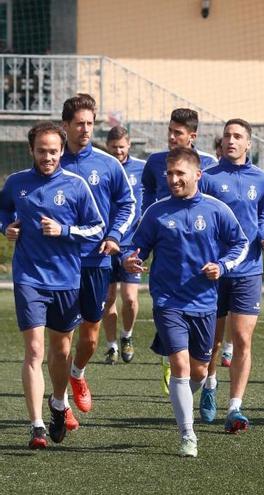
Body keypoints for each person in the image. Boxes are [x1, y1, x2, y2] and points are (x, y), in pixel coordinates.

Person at [124, 147, 248, 457]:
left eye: (180, 173)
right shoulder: (156, 211)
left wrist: (222, 265)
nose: (174, 179)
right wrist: (131, 260)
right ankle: (187, 434)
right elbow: (136, 248)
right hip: (168, 300)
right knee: (179, 365)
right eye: (170, 174)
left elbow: (240, 243)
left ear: (197, 175)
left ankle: (182, 401)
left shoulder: (217, 210)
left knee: (200, 371)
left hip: (205, 302)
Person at [0, 122, 104, 448]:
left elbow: (97, 228)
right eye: (42, 151)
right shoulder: (17, 183)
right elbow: (2, 211)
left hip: (66, 280)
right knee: (34, 350)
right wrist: (7, 227)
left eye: (53, 151)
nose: (48, 157)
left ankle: (59, 403)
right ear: (31, 150)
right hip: (29, 277)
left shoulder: (75, 186)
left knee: (60, 352)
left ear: (62, 151)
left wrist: (65, 231)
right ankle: (37, 427)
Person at [60, 94, 137, 418]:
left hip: (96, 261)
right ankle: (59, 402)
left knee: (90, 338)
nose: (85, 130)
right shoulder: (52, 160)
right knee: (61, 337)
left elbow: (127, 204)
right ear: (66, 126)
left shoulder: (108, 164)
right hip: (59, 263)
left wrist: (114, 235)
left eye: (90, 124)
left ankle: (77, 373)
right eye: (79, 124)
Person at [197, 119, 264, 432]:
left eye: (238, 136)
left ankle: (235, 408)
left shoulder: (262, 179)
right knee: (212, 343)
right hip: (215, 271)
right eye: (228, 135)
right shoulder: (208, 178)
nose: (231, 140)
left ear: (248, 144)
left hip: (249, 270)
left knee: (242, 338)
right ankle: (210, 383)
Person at [140, 108, 218, 393]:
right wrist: (147, 213)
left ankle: (202, 375)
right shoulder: (154, 162)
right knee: (166, 294)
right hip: (165, 237)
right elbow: (147, 189)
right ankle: (172, 353)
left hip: (200, 242)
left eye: (178, 133)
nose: (172, 137)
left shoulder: (208, 164)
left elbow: (214, 200)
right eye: (170, 131)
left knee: (204, 307)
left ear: (192, 136)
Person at [102, 126, 146, 365]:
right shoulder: (103, 167)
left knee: (129, 298)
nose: (118, 151)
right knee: (108, 298)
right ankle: (111, 346)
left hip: (131, 243)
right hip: (106, 242)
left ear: (129, 146)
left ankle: (126, 336)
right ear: (108, 146)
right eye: (114, 147)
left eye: (122, 147)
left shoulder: (141, 168)